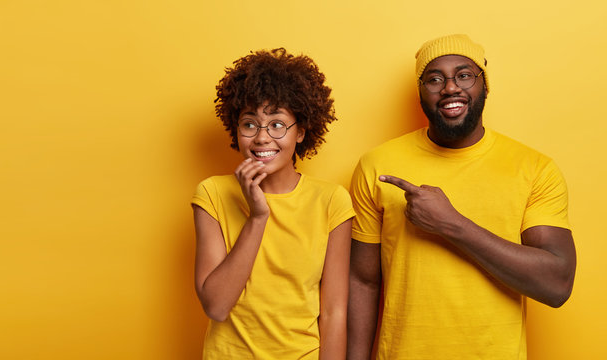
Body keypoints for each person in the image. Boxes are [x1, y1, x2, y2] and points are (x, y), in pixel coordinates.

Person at [347, 34, 577, 359]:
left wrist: (452, 224)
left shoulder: (534, 169)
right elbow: (363, 281)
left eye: (464, 75)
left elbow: (557, 285)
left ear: (485, 85)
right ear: (420, 92)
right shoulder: (377, 165)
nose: (450, 88)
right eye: (434, 78)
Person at [191, 48, 354, 359]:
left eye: (277, 124)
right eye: (250, 124)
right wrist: (257, 217)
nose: (262, 137)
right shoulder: (212, 194)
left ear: (302, 132)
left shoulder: (331, 201)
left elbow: (334, 312)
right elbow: (216, 306)